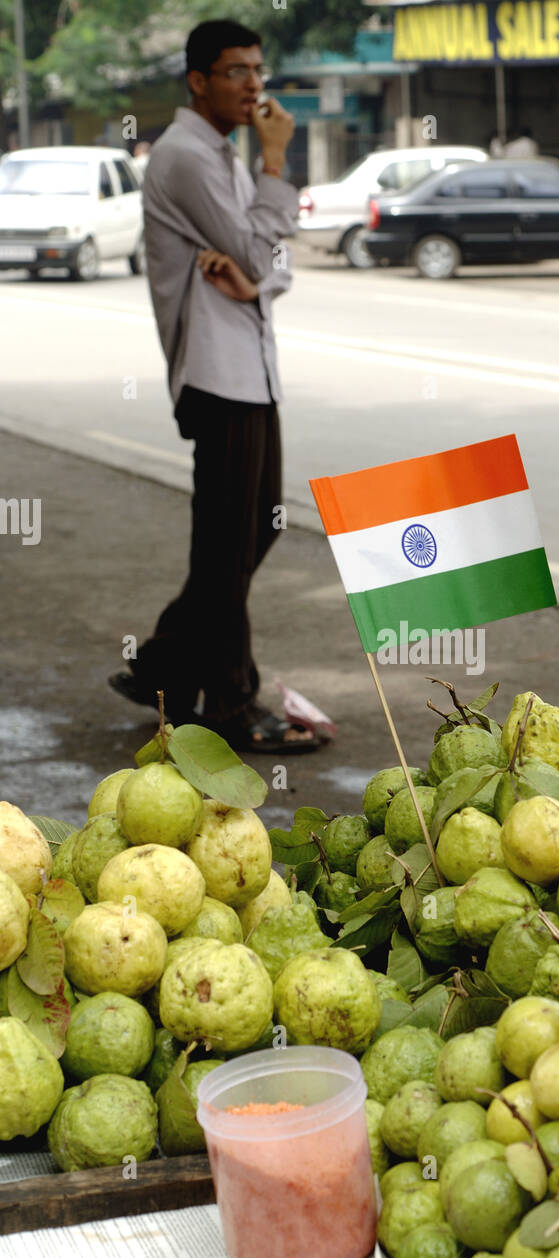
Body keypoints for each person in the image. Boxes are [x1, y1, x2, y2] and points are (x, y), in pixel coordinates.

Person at [109, 19, 319, 752]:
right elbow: (261, 255)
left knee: (251, 531)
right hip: (215, 373)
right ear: (197, 79)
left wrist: (255, 272)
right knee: (231, 546)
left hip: (250, 369)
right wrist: (275, 162)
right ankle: (230, 706)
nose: (253, 85)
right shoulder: (188, 158)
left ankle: (162, 665)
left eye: (258, 69)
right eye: (235, 71)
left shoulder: (219, 153)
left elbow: (270, 264)